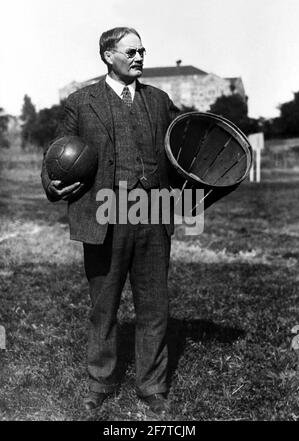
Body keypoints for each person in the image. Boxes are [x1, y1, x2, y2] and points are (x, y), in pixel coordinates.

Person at [41, 27, 179, 415]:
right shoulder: (81, 102)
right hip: (104, 213)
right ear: (107, 55)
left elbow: (181, 147)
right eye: (131, 51)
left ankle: (152, 385)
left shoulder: (159, 100)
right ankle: (100, 380)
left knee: (154, 305)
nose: (139, 57)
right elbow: (56, 152)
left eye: (142, 51)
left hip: (152, 213)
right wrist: (51, 184)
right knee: (104, 305)